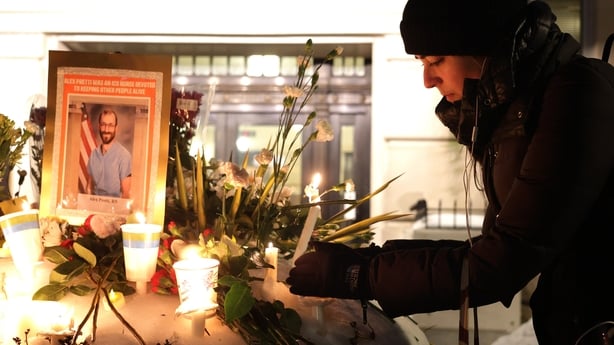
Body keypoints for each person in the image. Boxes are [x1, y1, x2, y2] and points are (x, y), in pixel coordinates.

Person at [287, 1, 614, 344]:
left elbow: (501, 263)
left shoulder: (575, 95)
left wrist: (359, 276)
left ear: (484, 45)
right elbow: (491, 246)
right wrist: (370, 258)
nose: (428, 80)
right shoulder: (517, 109)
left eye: (436, 60)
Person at [86, 108, 132, 198]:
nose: (106, 129)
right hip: (95, 207)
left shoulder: (124, 156)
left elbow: (126, 194)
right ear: (99, 126)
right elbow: (89, 188)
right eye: (103, 124)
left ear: (116, 128)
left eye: (110, 125)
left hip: (114, 209)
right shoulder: (93, 155)